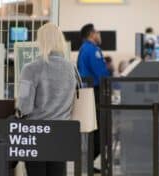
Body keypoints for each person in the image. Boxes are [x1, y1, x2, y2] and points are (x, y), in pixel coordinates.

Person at [16, 23, 76, 176]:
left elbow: (24, 106)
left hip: (37, 134)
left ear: (41, 41)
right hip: (62, 133)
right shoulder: (71, 68)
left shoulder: (31, 68)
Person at [77, 23, 110, 173]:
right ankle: (89, 161)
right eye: (97, 32)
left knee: (93, 128)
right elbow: (101, 73)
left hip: (87, 92)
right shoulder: (93, 50)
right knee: (101, 130)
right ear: (91, 34)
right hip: (96, 92)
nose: (99, 35)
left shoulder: (83, 49)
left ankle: (88, 162)